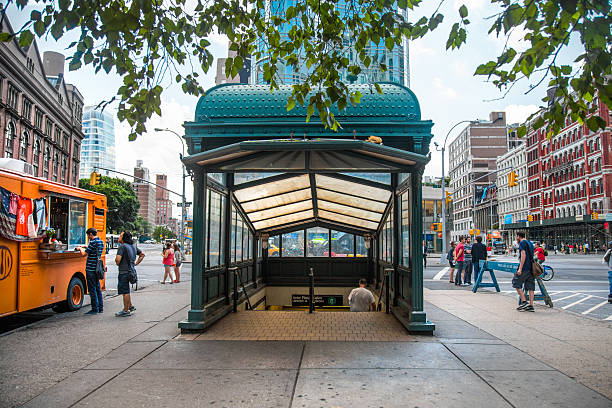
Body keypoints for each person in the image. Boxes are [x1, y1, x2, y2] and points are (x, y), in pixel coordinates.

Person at [115, 231, 145, 317]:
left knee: (125, 291)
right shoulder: (133, 246)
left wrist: (117, 262)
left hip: (123, 271)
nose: (119, 237)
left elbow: (118, 260)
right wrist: (135, 263)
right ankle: (130, 306)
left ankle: (125, 310)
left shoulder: (122, 247)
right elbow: (142, 255)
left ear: (123, 238)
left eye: (120, 236)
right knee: (127, 290)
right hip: (131, 271)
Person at [77, 228, 105, 314]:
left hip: (91, 269)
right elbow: (93, 249)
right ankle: (100, 308)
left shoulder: (92, 242)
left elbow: (84, 254)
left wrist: (80, 248)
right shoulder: (100, 242)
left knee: (92, 289)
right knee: (97, 288)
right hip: (97, 269)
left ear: (90, 234)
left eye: (88, 235)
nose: (88, 237)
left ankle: (94, 309)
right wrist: (86, 247)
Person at [515, 231, 535, 312]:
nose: (516, 238)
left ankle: (524, 301)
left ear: (519, 236)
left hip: (525, 267)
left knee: (516, 283)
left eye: (517, 237)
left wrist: (520, 268)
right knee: (530, 286)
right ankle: (531, 305)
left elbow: (523, 255)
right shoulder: (529, 242)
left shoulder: (522, 243)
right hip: (531, 268)